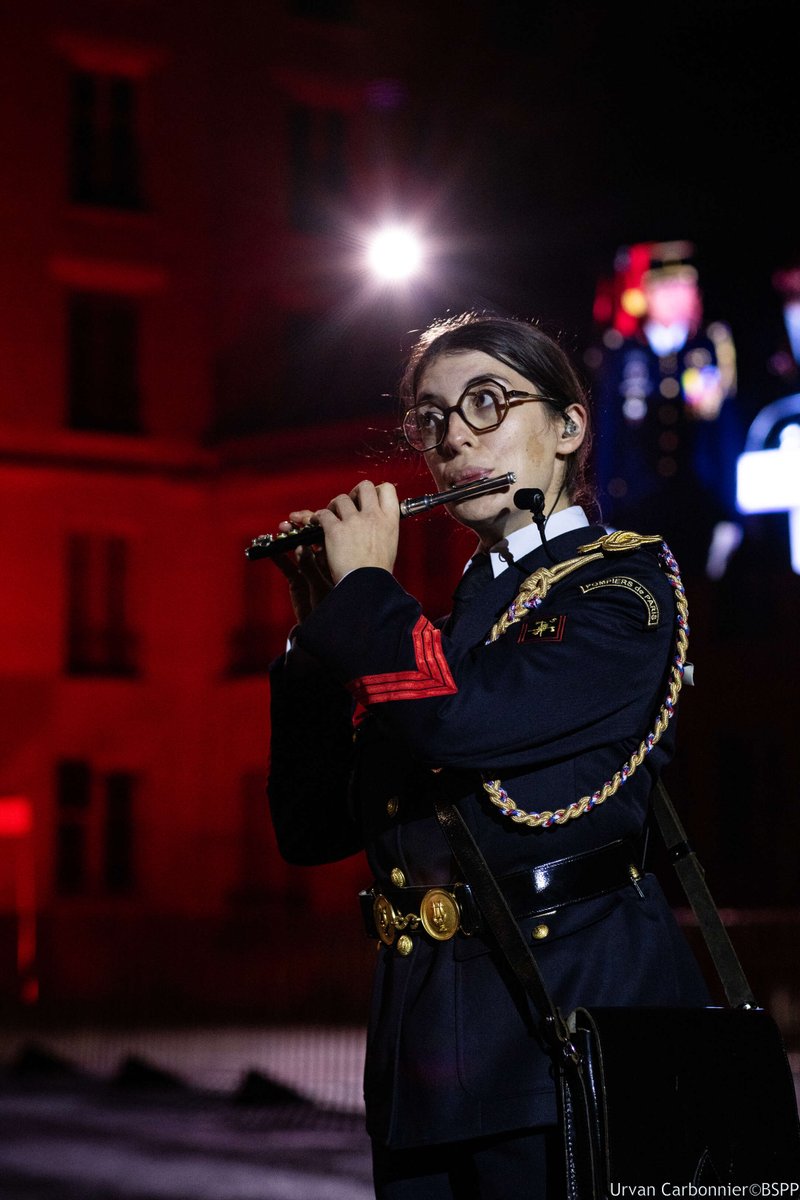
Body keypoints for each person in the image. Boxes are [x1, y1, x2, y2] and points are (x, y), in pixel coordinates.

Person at [267, 312, 709, 1199]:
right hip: (423, 1058)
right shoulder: (446, 629)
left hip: (565, 1045)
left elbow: (459, 720)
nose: (454, 437)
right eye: (431, 420)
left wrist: (365, 596)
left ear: (569, 428)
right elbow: (313, 828)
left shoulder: (624, 588)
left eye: (487, 403)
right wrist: (319, 639)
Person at [593, 245, 742, 579]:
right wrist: (604, 511)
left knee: (697, 608)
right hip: (636, 504)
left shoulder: (707, 348)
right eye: (667, 287)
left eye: (684, 286)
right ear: (647, 292)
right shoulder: (624, 353)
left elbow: (726, 437)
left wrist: (731, 514)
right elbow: (608, 436)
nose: (678, 296)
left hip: (697, 503)